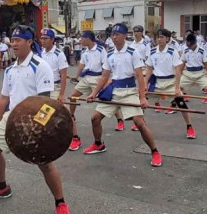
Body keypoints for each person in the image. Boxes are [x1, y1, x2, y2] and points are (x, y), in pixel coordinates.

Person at [0, 25, 72, 214]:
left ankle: (60, 203)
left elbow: (45, 103)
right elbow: (3, 99)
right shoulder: (10, 69)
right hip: (11, 118)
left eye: (18, 40)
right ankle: (1, 187)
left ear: (30, 42)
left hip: (36, 120)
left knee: (45, 163)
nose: (14, 43)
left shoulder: (41, 66)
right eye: (12, 39)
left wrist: (35, 129)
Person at [84, 23, 162, 166]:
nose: (114, 37)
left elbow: (139, 75)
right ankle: (98, 144)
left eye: (117, 34)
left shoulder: (133, 52)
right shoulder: (110, 54)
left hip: (129, 91)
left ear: (125, 36)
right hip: (114, 91)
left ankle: (155, 151)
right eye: (112, 35)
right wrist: (94, 93)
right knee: (95, 118)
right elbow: (104, 76)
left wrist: (143, 97)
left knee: (139, 122)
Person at [66, 31, 106, 151]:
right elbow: (81, 66)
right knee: (73, 96)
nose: (80, 40)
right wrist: (76, 77)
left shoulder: (100, 49)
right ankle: (71, 115)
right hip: (86, 79)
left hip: (97, 78)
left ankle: (119, 119)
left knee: (105, 101)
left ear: (88, 38)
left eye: (82, 38)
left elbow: (105, 67)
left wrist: (106, 80)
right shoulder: (85, 51)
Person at [37, 29, 69, 102]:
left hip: (54, 87)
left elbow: (63, 75)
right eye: (41, 38)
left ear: (52, 40)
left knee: (52, 110)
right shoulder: (40, 54)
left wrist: (61, 94)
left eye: (45, 38)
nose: (43, 41)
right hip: (41, 87)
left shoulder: (59, 54)